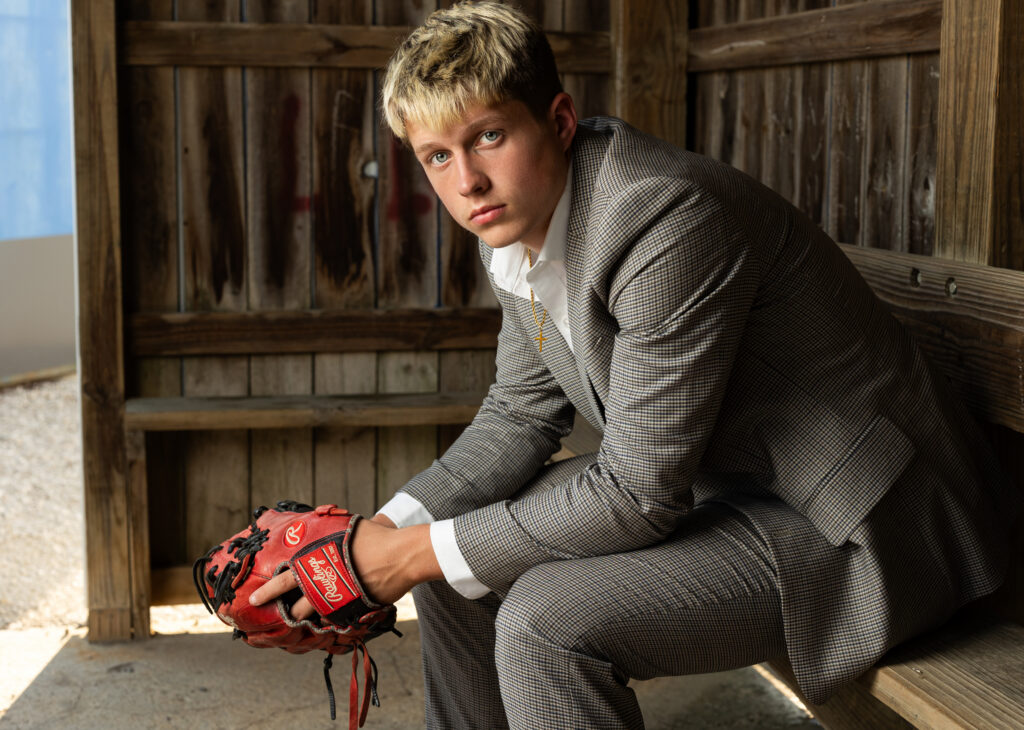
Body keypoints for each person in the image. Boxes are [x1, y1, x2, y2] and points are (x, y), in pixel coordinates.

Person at [251, 2, 1015, 727]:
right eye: (438, 156)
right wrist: (371, 543)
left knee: (543, 624)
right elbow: (520, 414)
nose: (466, 183)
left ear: (558, 120)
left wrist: (406, 557)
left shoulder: (662, 220)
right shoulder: (516, 228)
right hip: (740, 487)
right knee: (450, 569)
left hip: (860, 525)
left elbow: (640, 493)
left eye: (487, 136)